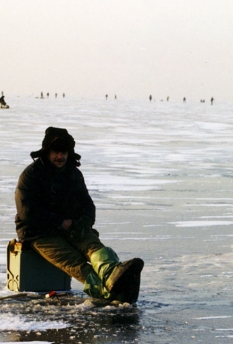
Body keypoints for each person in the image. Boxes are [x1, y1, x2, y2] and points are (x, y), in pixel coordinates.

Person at [14, 127, 144, 303]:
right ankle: (107, 293)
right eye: (56, 152)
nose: (60, 157)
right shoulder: (31, 175)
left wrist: (83, 224)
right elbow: (27, 212)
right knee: (75, 262)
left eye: (64, 152)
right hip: (39, 232)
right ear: (47, 152)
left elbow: (87, 205)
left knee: (92, 245)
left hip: (70, 227)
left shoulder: (73, 174)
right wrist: (59, 222)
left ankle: (112, 273)